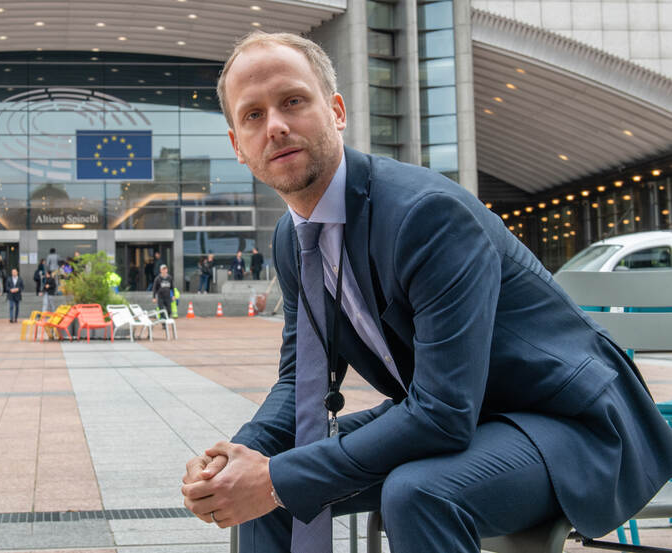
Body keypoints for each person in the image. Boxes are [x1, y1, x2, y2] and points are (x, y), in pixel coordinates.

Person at [180, 32, 672, 553]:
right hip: (464, 412)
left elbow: (442, 416)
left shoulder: (425, 215)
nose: (275, 125)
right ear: (237, 145)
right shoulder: (291, 238)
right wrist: (236, 457)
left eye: (293, 101)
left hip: (570, 422)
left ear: (337, 111)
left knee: (413, 492)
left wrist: (277, 477)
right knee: (263, 491)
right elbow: (300, 384)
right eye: (252, 115)